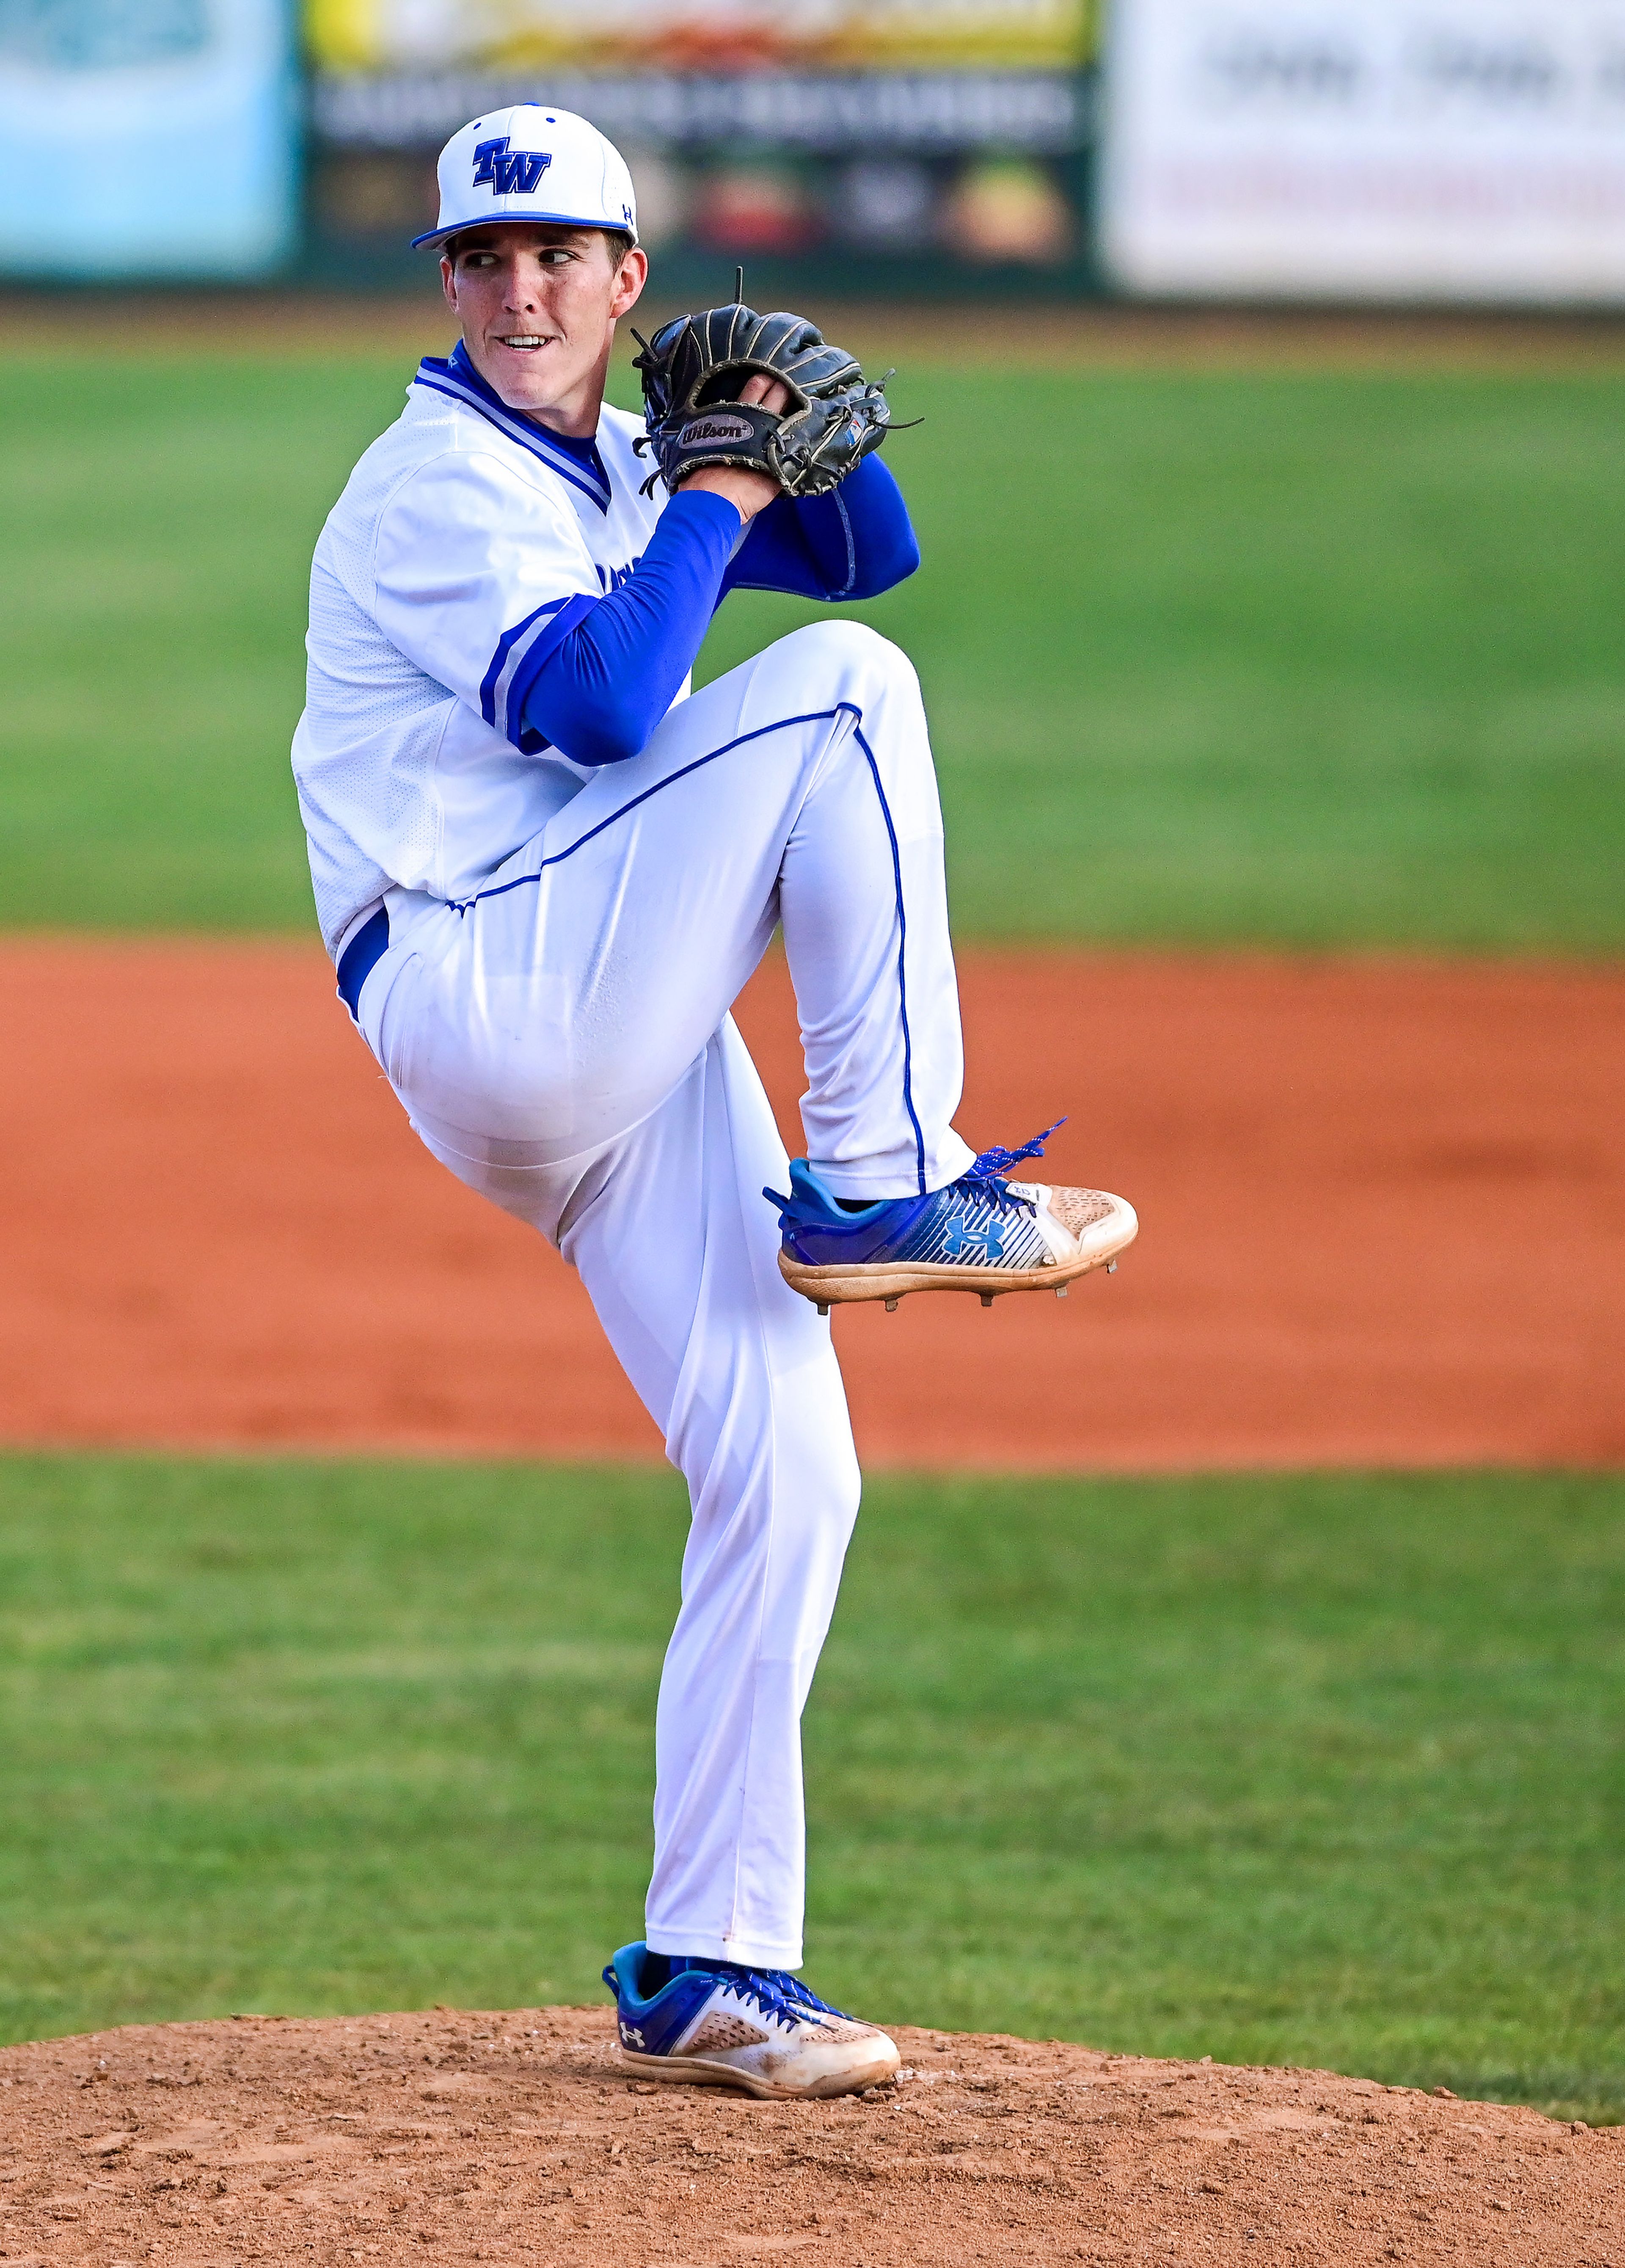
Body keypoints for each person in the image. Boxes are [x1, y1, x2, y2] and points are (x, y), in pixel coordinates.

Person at [291, 105, 1135, 2102]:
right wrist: (718, 488)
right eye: (486, 260)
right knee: (843, 691)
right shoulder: (433, 487)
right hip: (496, 979)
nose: (522, 290)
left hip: (605, 1010)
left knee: (790, 1462)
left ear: (624, 275)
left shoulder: (610, 451)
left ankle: (717, 1962)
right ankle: (885, 1171)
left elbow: (878, 547)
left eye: (561, 255)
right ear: (445, 282)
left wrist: (747, 447)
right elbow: (598, 703)